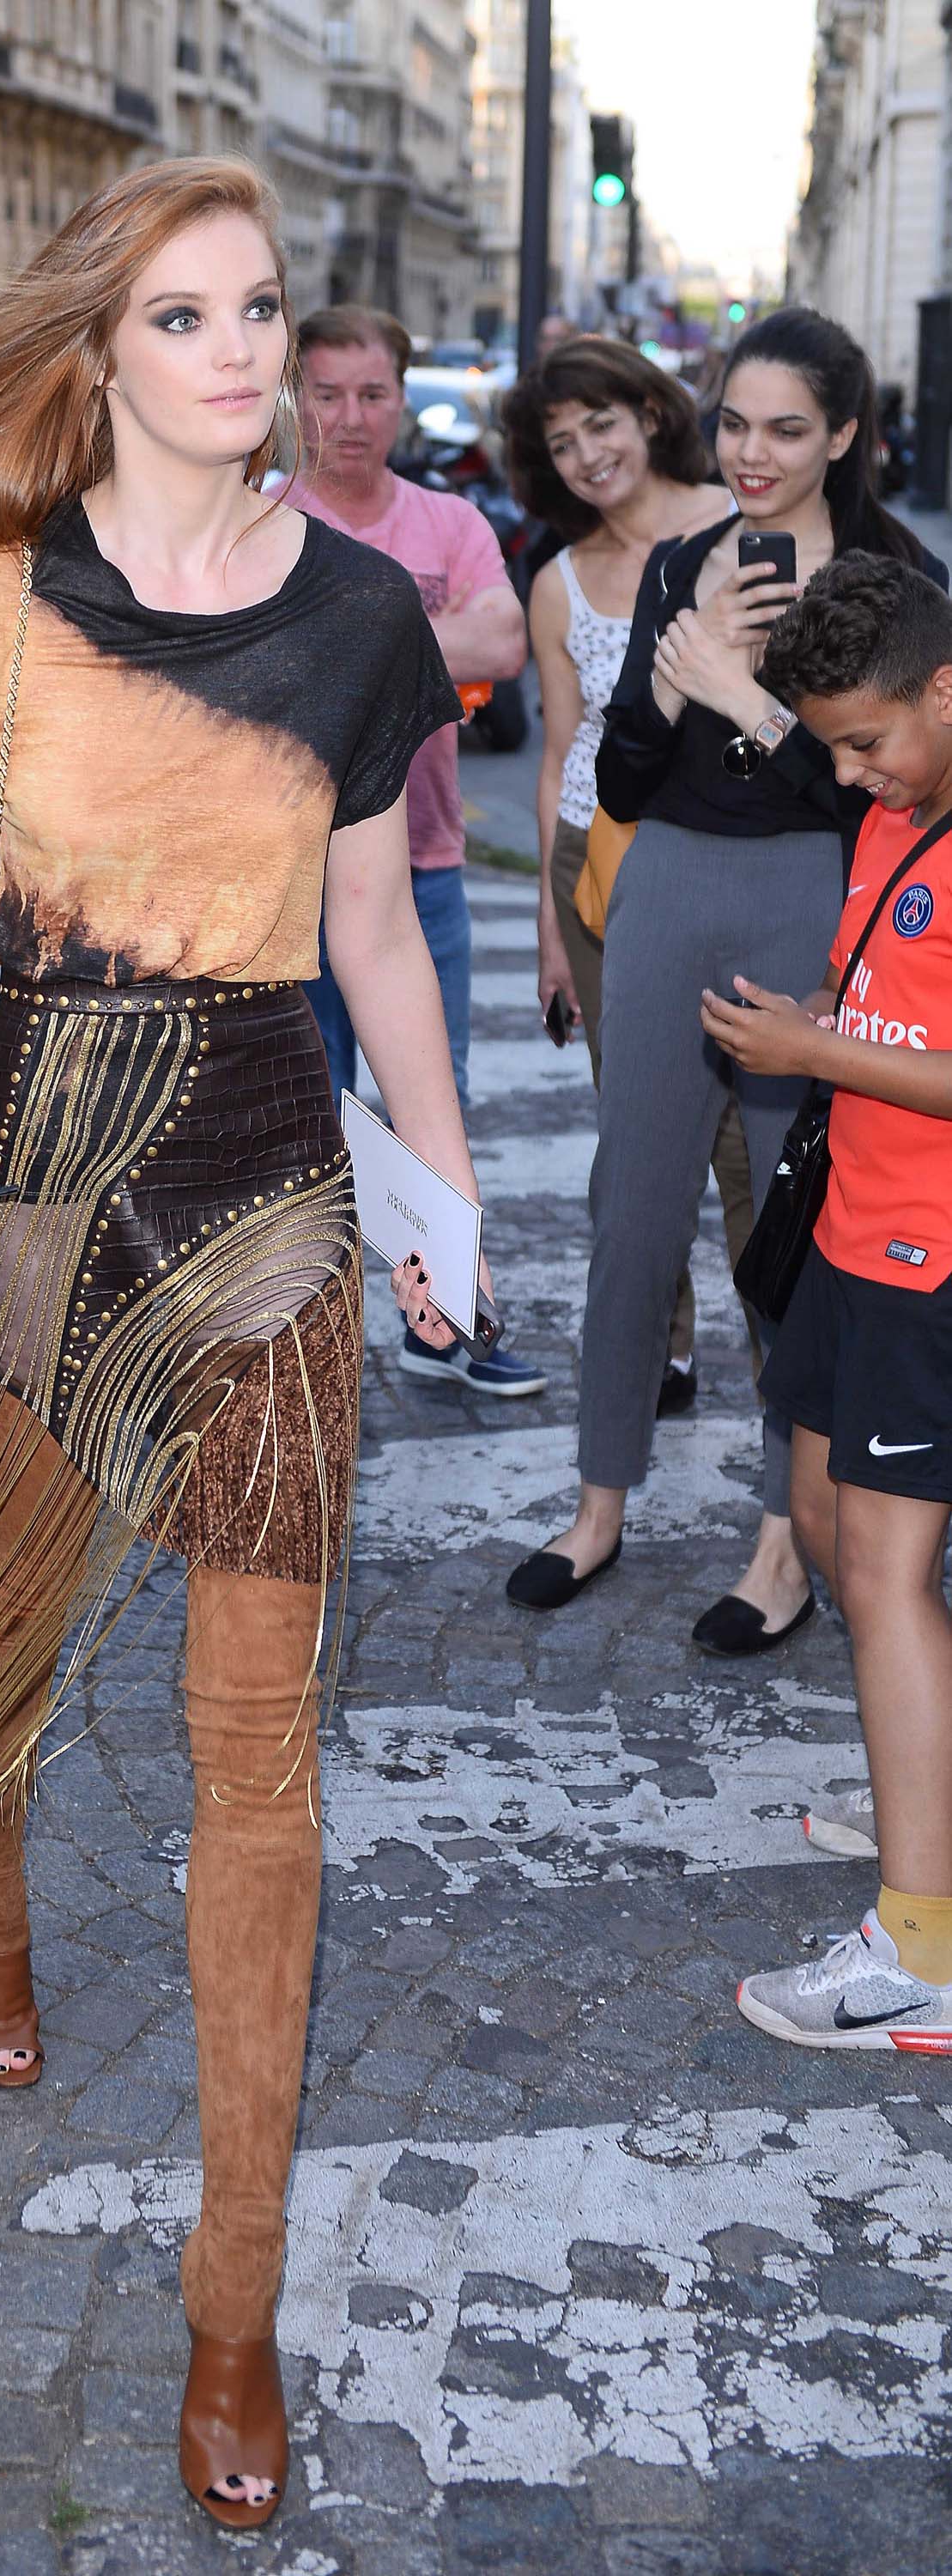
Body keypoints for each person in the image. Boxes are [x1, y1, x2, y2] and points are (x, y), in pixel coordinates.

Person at [0, 161, 489, 2528]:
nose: (242, 355)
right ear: (103, 351)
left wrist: (440, 1207)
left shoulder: (358, 621)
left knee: (261, 1769)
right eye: (186, 319)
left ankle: (226, 2313)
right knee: (0, 1638)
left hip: (261, 1203)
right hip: (34, 1182)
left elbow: (374, 941)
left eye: (259, 312)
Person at [506, 307, 947, 1649]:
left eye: (787, 429)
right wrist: (675, 673)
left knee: (789, 1220)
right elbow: (623, 772)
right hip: (670, 883)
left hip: (815, 898)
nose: (750, 453)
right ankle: (598, 1504)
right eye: (735, 421)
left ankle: (780, 1540)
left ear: (847, 436)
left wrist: (756, 706)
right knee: (630, 1206)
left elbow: (899, 793)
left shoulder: (892, 576)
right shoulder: (687, 559)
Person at [705, 552, 952, 2050]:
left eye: (865, 741)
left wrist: (819, 1058)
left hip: (932, 1263)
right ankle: (918, 1789)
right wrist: (816, 1024)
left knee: (880, 1579)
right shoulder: (892, 812)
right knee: (817, 1526)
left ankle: (920, 1947)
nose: (847, 774)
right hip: (854, 1243)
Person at [283, 302, 543, 1398]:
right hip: (284, 885)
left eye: (372, 393)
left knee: (430, 1108)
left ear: (403, 397)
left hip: (422, 867)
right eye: (329, 392)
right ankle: (302, 1336)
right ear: (298, 395)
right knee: (299, 1122)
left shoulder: (446, 524)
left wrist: (339, 643)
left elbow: (504, 638)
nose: (350, 417)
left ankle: (438, 1322)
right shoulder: (258, 517)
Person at [505, 336, 749, 1420]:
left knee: (749, 1130)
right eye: (561, 443)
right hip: (600, 863)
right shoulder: (557, 583)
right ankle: (666, 1344)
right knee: (639, 1124)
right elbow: (562, 754)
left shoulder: (743, 526)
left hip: (739, 854)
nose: (586, 454)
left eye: (600, 422)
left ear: (650, 414)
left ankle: (787, 1333)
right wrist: (553, 933)